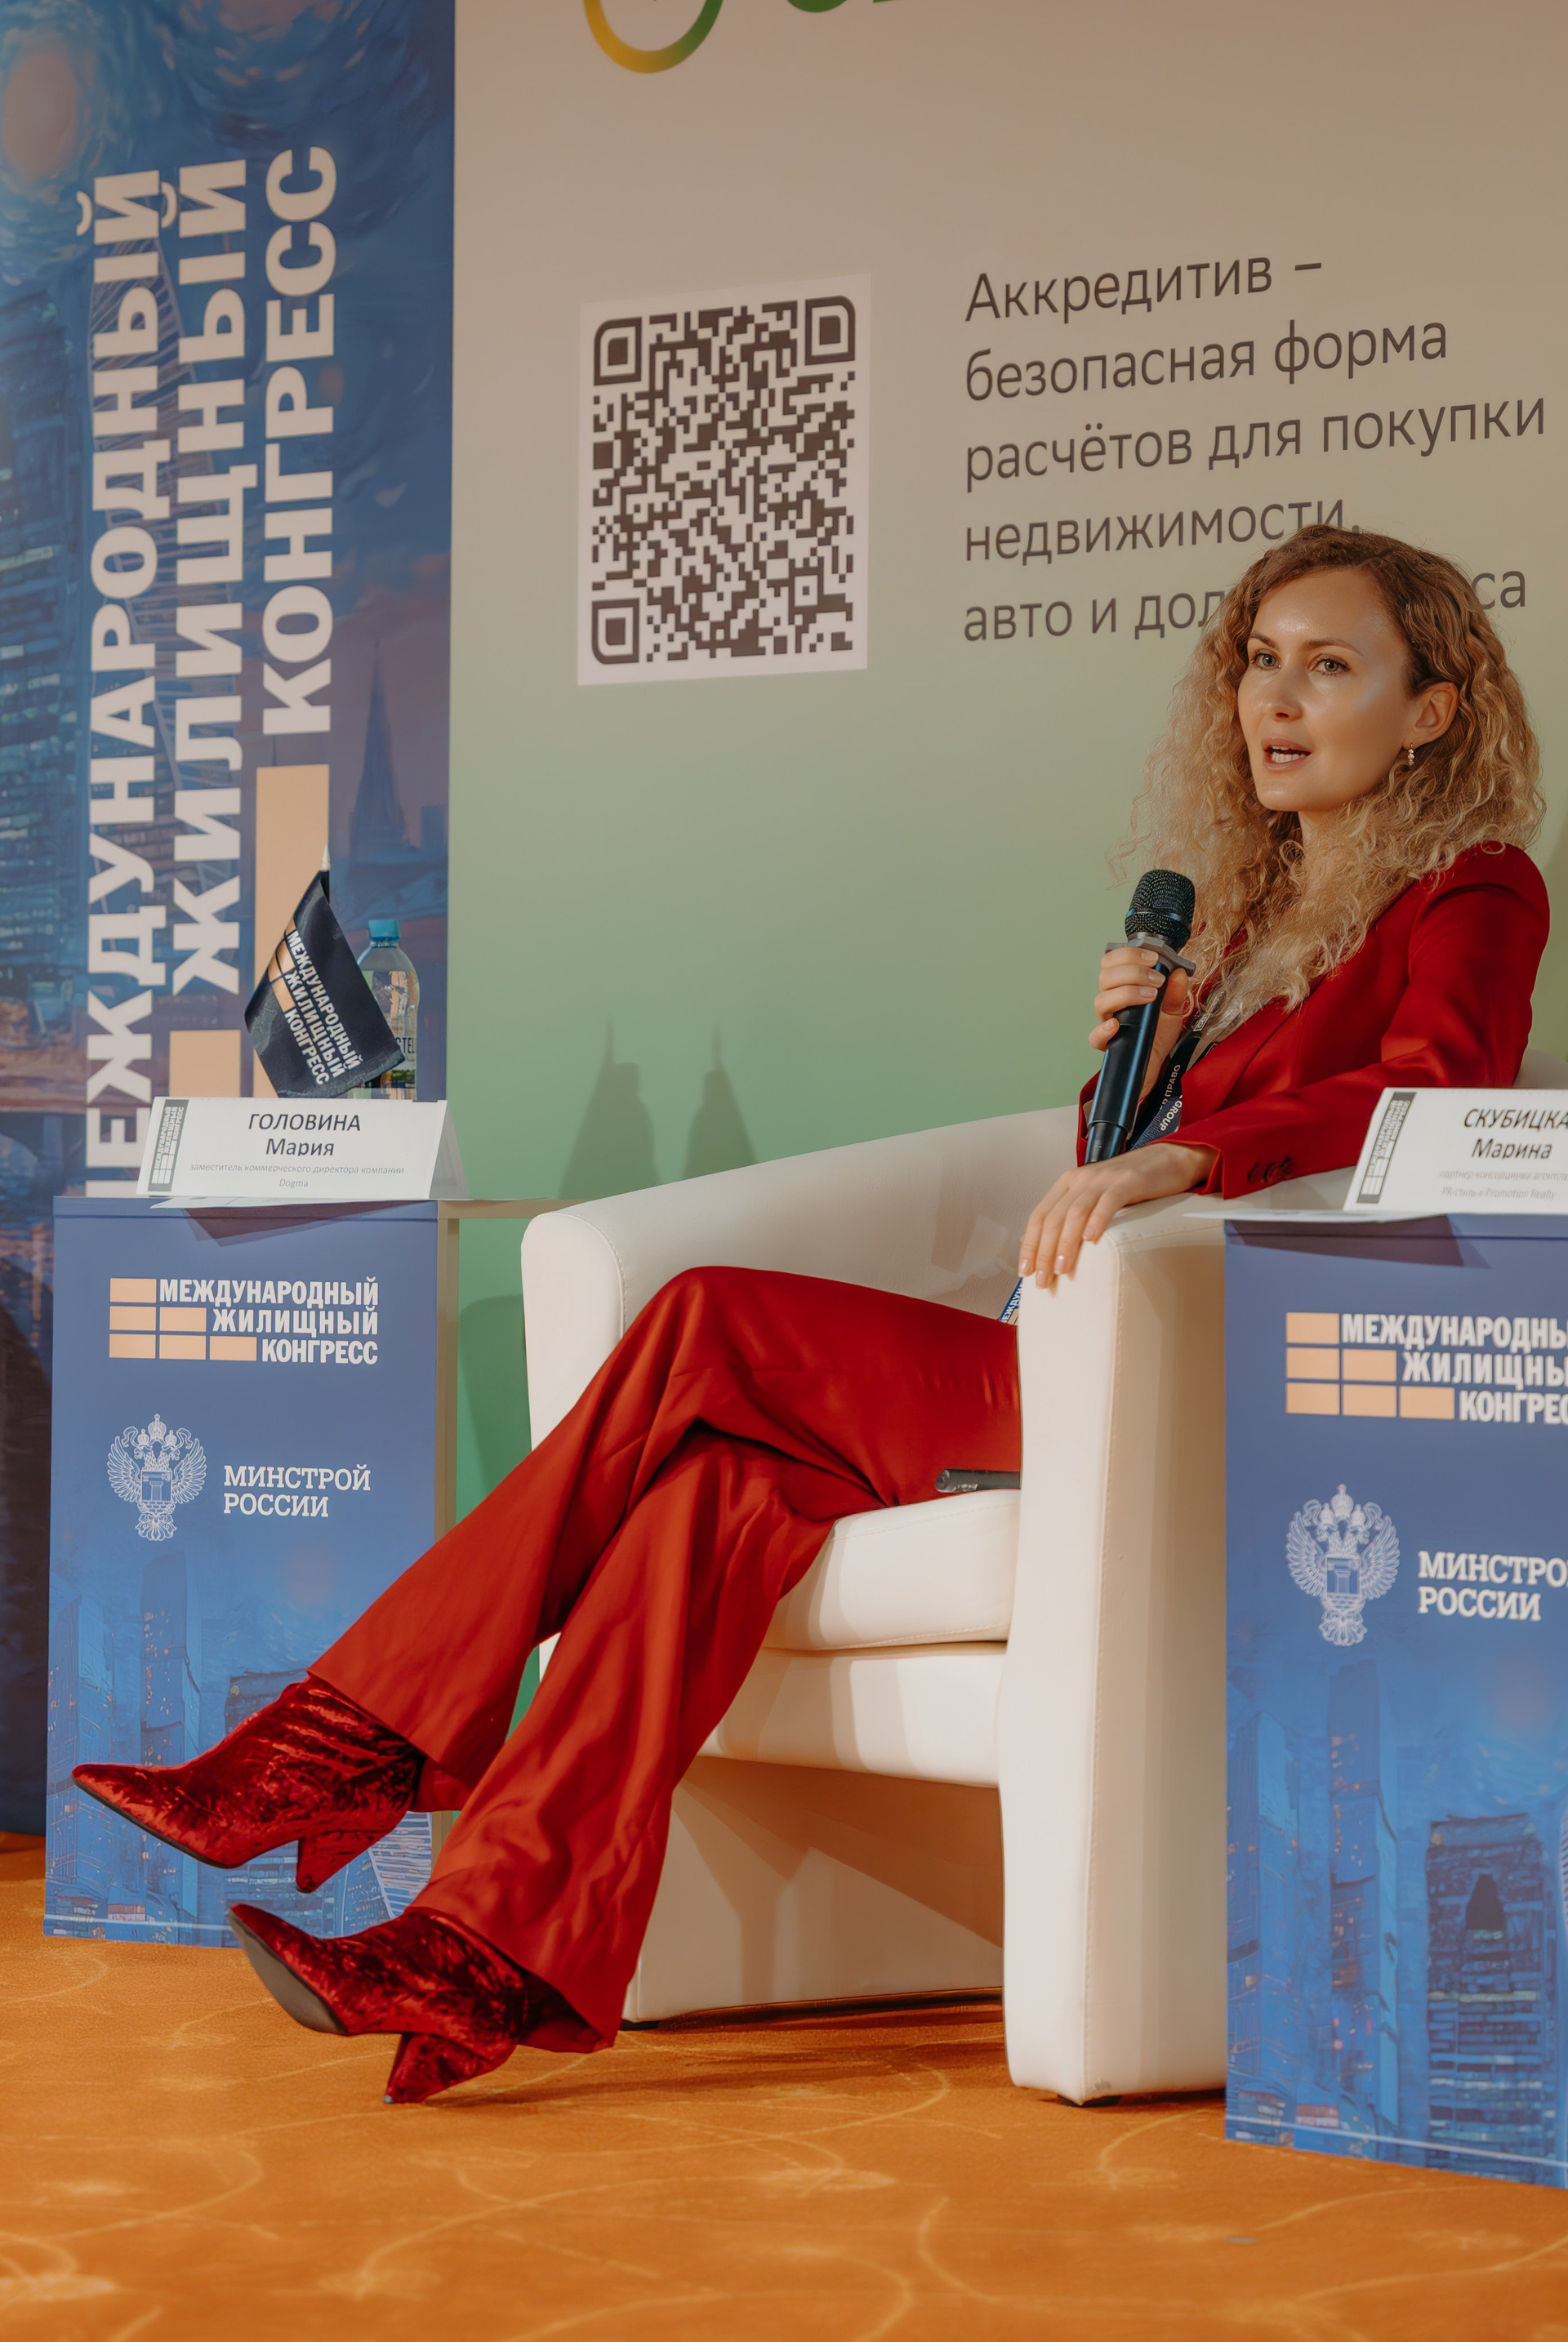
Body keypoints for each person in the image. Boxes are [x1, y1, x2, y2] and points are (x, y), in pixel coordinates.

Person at [75, 526, 1548, 2104]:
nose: (1277, 697)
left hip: (1199, 1379)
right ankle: (481, 1945)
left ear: (1430, 710)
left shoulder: (1472, 891)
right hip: (1070, 1342)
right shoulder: (1238, 926)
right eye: (1260, 660)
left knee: (706, 1319)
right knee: (705, 1496)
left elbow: (1435, 1092)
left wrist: (1182, 1147)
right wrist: (1137, 1073)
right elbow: (1108, 1177)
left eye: (1330, 665)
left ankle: (346, 1739)